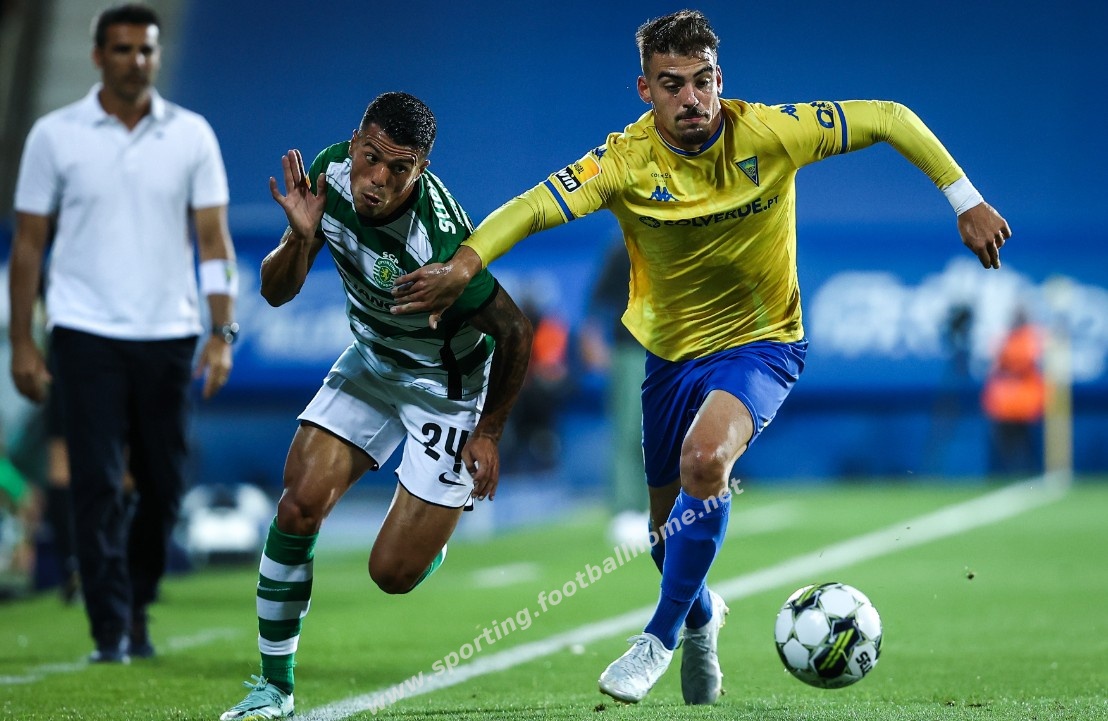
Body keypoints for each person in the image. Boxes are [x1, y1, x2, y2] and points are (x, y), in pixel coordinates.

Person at [390, 9, 1011, 706]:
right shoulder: (623, 162)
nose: (692, 97)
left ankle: (655, 638)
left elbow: (890, 117)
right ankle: (701, 616)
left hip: (763, 344)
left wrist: (965, 199)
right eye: (672, 84)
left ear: (721, 78)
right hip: (669, 358)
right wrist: (464, 263)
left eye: (704, 80)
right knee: (667, 541)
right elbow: (534, 207)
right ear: (645, 90)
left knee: (706, 459)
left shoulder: (772, 133)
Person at [219, 92, 533, 721]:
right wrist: (298, 239)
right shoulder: (328, 176)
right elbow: (276, 293)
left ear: (421, 170)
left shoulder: (438, 241)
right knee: (298, 505)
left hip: (446, 386)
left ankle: (431, 531)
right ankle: (274, 687)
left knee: (392, 573)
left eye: (400, 168)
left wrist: (489, 432)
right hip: (371, 362)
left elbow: (515, 332)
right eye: (371, 157)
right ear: (356, 141)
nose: (378, 179)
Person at [7, 3, 237, 662]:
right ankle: (109, 627)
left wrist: (221, 332)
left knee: (162, 484)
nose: (136, 60)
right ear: (97, 56)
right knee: (97, 481)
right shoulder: (54, 135)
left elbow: (214, 242)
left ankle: (138, 601)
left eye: (146, 49)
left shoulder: (192, 135)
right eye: (122, 49)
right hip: (83, 331)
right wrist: (23, 341)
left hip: (169, 333)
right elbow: (28, 245)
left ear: (157, 56)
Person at [981, 308, 1044, 476]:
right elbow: (995, 365)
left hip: (1024, 402)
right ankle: (1013, 474)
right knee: (1006, 445)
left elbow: (1023, 363)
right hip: (1005, 403)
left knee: (1025, 445)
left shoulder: (1030, 339)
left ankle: (1027, 474)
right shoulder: (1006, 338)